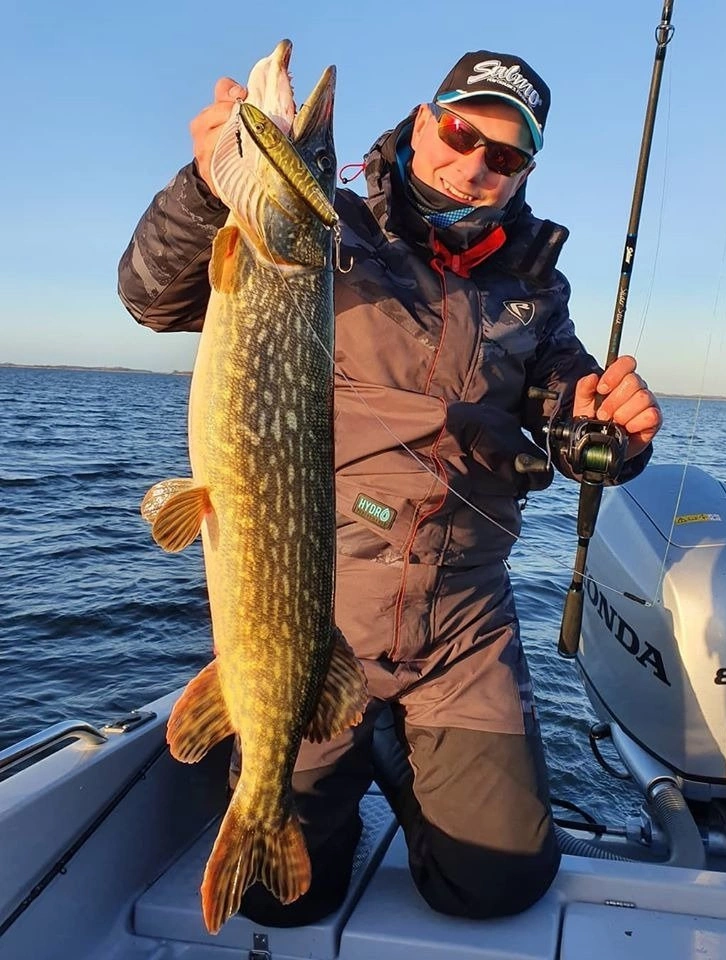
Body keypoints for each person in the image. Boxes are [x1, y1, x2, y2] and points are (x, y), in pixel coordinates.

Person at [118, 48, 662, 924]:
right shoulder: (326, 230)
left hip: (463, 622)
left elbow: (567, 406)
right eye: (461, 133)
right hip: (323, 611)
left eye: (506, 156)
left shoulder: (533, 287)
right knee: (280, 905)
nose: (476, 164)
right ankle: (357, 731)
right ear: (422, 121)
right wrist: (207, 187)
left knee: (497, 886)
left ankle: (394, 749)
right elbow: (151, 296)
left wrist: (606, 434)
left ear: (523, 173)